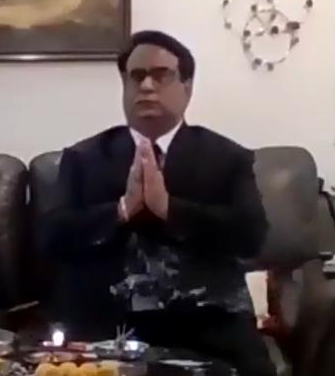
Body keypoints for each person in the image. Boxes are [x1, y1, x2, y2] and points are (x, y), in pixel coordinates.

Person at [43, 31, 274, 375]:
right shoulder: (83, 158)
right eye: (136, 76)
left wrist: (169, 209)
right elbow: (50, 237)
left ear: (187, 87)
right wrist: (122, 209)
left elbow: (251, 236)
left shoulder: (228, 158)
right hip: (104, 322)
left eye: (161, 75)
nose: (147, 86)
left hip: (207, 322)